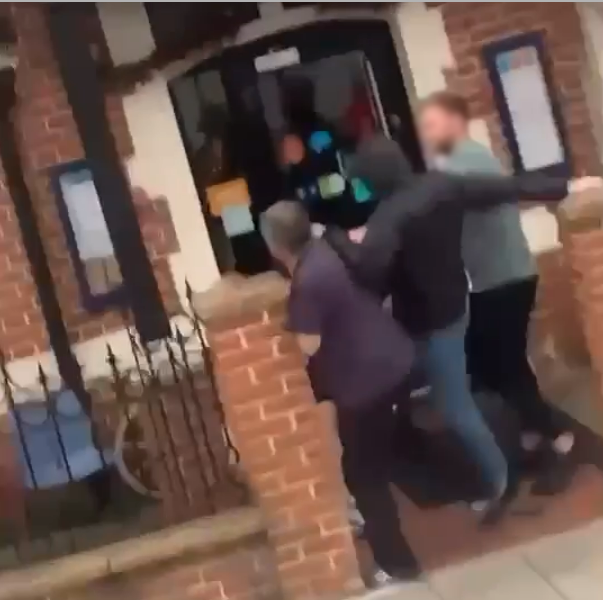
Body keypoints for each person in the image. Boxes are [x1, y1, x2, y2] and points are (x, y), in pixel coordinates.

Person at [324, 134, 600, 516]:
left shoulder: (391, 217)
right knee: (422, 386)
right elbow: (505, 187)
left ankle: (499, 480)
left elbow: (369, 272)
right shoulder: (440, 186)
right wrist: (568, 185)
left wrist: (336, 239)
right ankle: (408, 438)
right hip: (455, 307)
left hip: (425, 323)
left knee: (453, 405)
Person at [418, 91, 576, 490]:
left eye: (433, 123)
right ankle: (534, 431)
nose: (426, 132)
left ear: (456, 122)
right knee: (501, 362)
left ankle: (556, 435)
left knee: (498, 364)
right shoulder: (467, 159)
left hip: (502, 279)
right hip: (500, 276)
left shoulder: (461, 163)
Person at [260, 200, 418, 586]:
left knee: (364, 475)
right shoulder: (324, 250)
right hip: (390, 361)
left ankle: (397, 564)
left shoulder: (308, 282)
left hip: (367, 383)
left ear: (275, 247)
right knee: (376, 460)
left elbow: (308, 345)